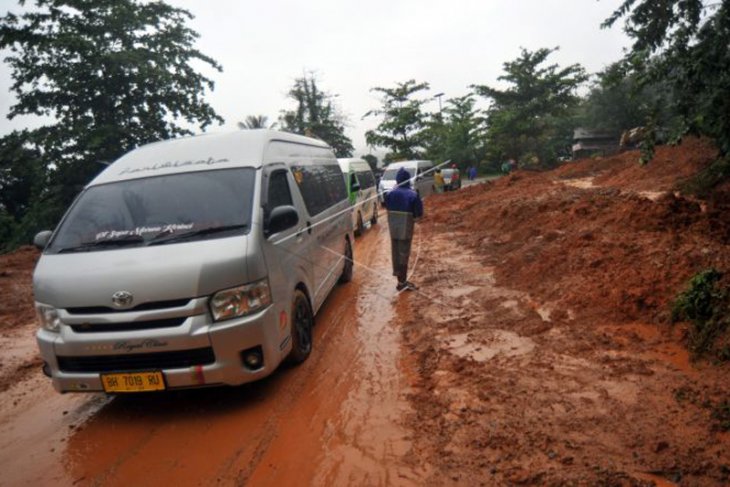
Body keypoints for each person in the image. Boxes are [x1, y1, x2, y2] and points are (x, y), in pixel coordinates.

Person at [384, 167, 423, 291]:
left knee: (395, 253)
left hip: (393, 229)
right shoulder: (413, 195)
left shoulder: (390, 194)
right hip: (405, 229)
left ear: (397, 179)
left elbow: (387, 207)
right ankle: (402, 282)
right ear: (407, 179)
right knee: (404, 254)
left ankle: (400, 281)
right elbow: (418, 215)